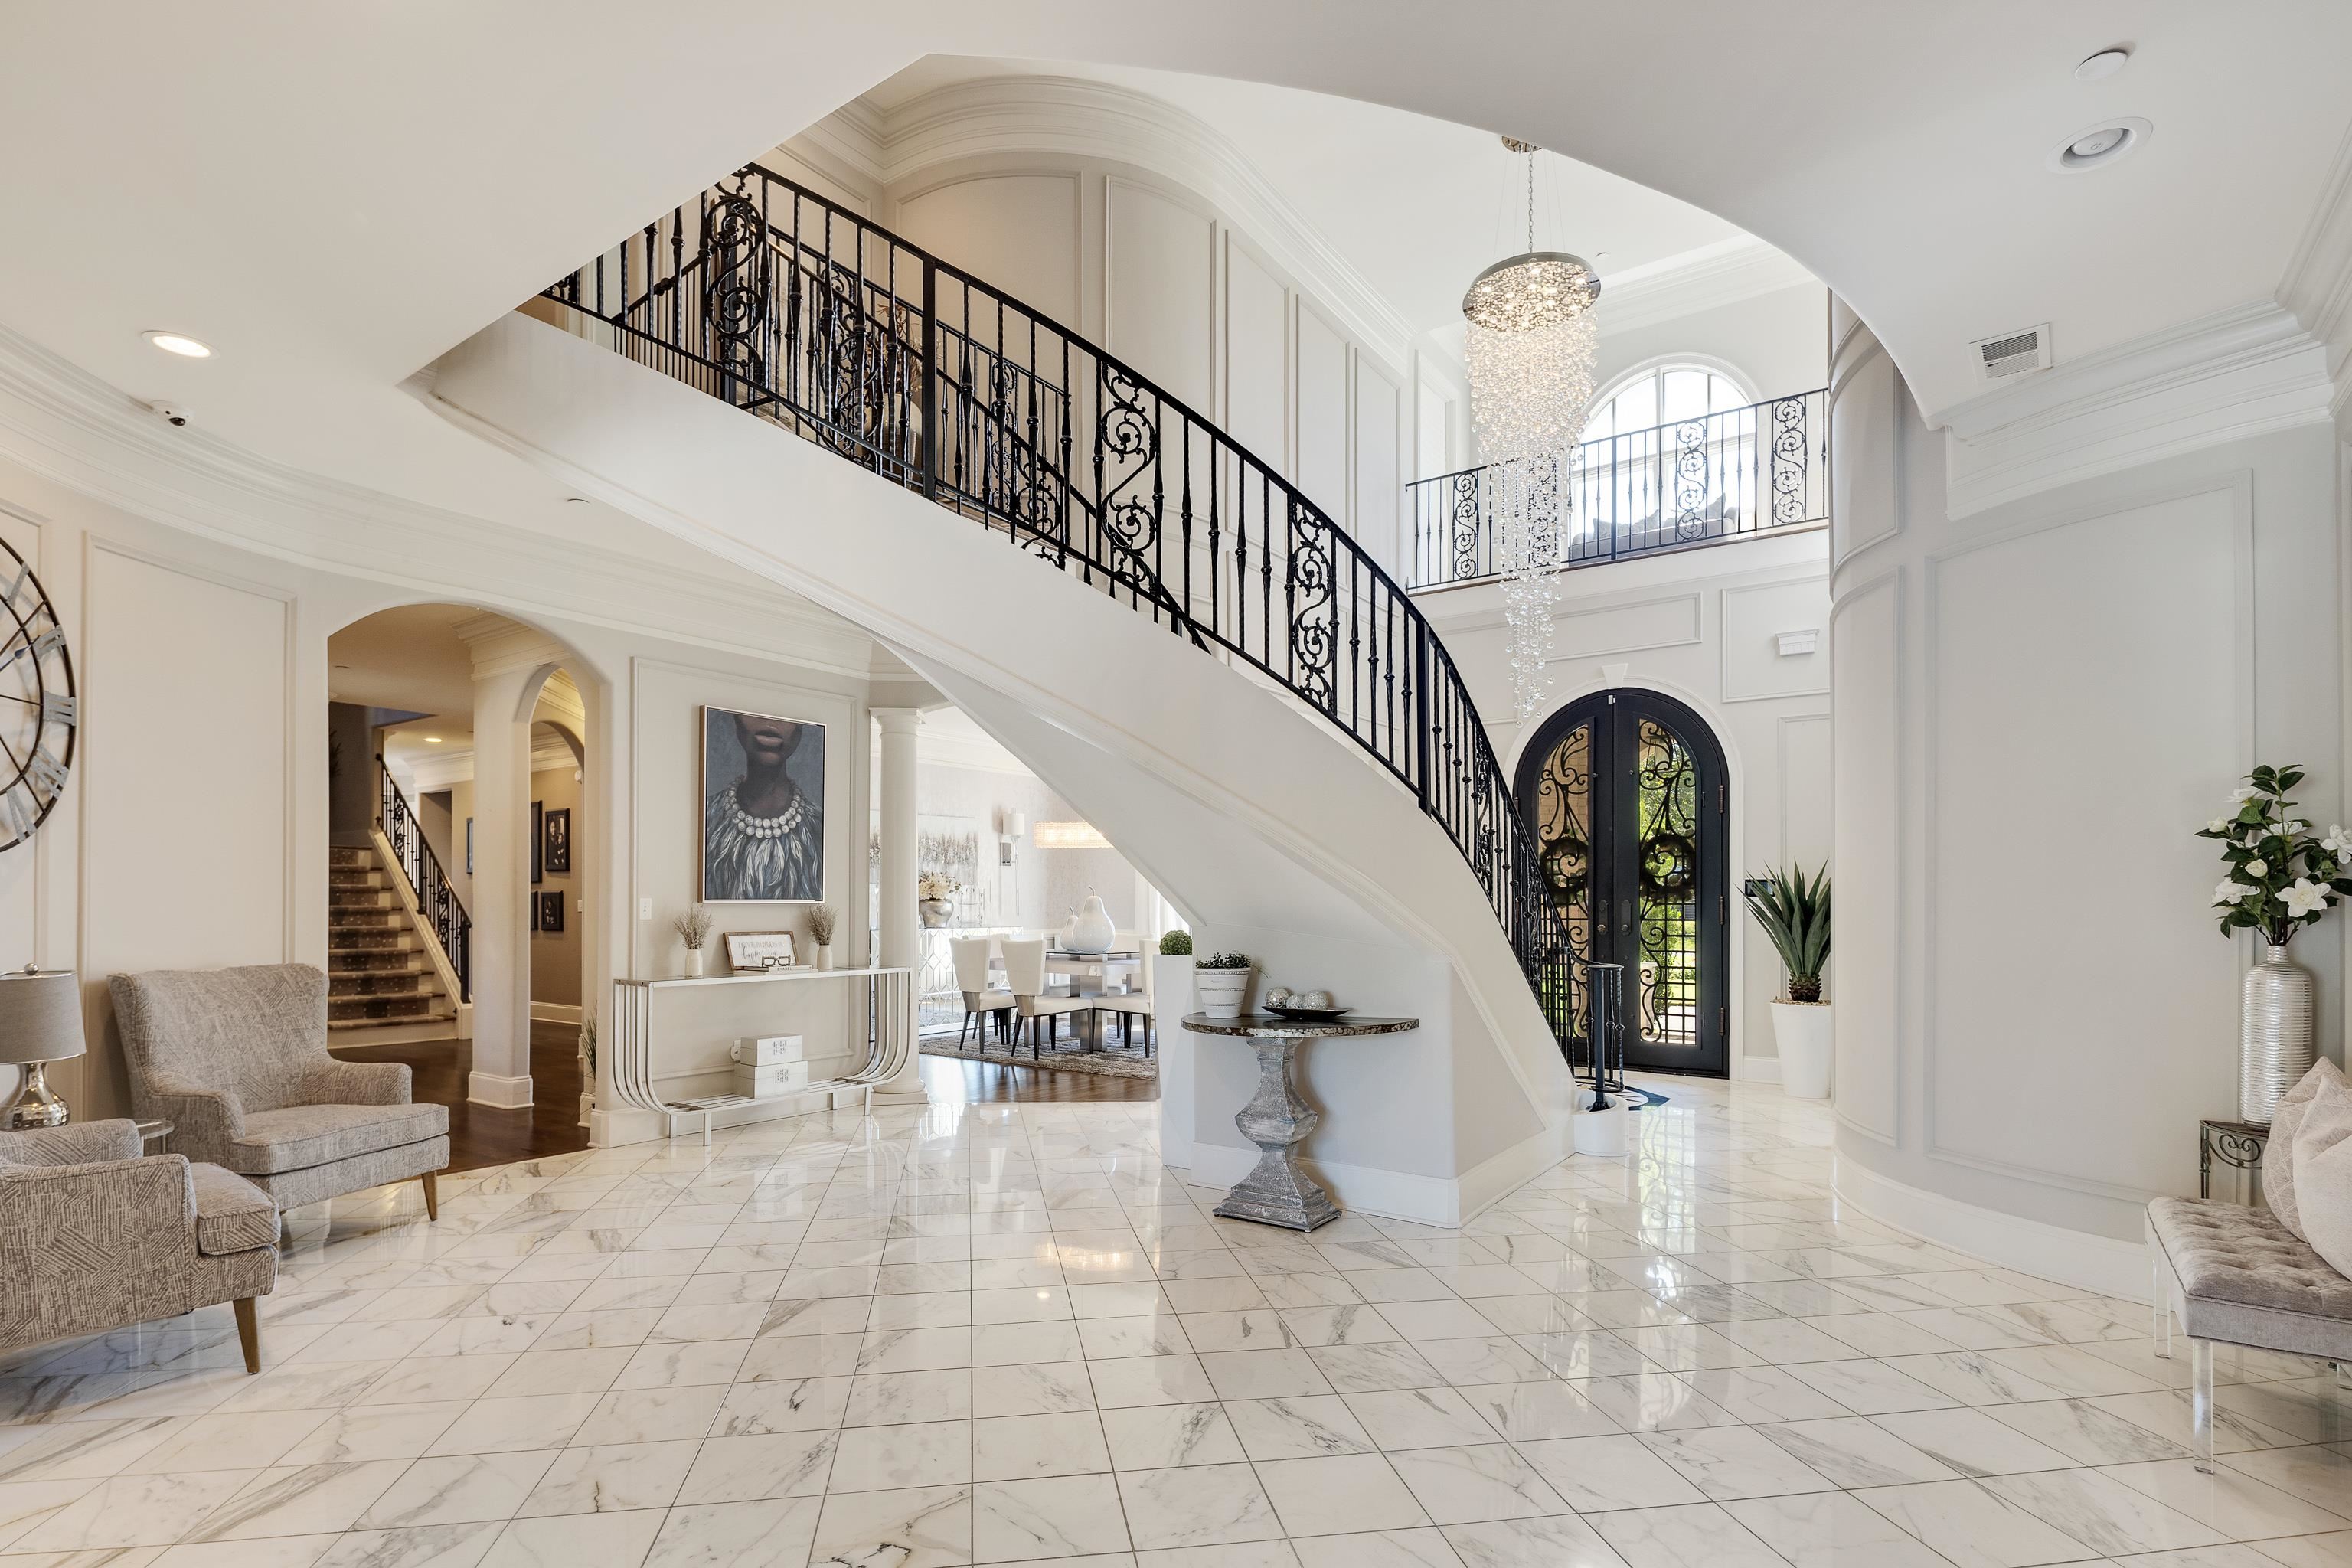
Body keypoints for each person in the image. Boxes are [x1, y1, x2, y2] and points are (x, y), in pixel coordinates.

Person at [704, 710, 824, 900]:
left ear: (800, 730)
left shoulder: (820, 830)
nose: (770, 721)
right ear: (736, 720)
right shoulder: (706, 821)